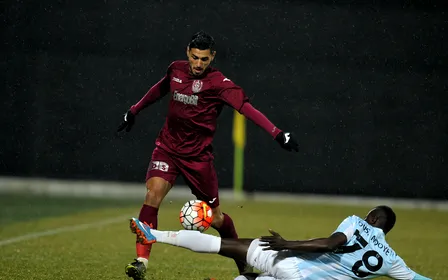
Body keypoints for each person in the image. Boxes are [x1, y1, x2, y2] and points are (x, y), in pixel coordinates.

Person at [117, 31, 299, 280]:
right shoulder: (175, 70)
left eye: (204, 59)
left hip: (198, 159)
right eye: (194, 57)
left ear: (212, 57)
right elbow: (159, 89)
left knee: (216, 218)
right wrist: (134, 110)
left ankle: (244, 266)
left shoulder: (220, 84)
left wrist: (278, 134)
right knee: (152, 195)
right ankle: (141, 261)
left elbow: (247, 109)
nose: (198, 64)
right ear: (187, 53)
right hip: (167, 149)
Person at [129, 205, 432, 280]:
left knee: (231, 245)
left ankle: (156, 235)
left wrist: (288, 243)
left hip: (293, 262)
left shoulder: (357, 223)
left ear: (374, 219)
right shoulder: (392, 259)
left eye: (370, 216)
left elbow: (329, 243)